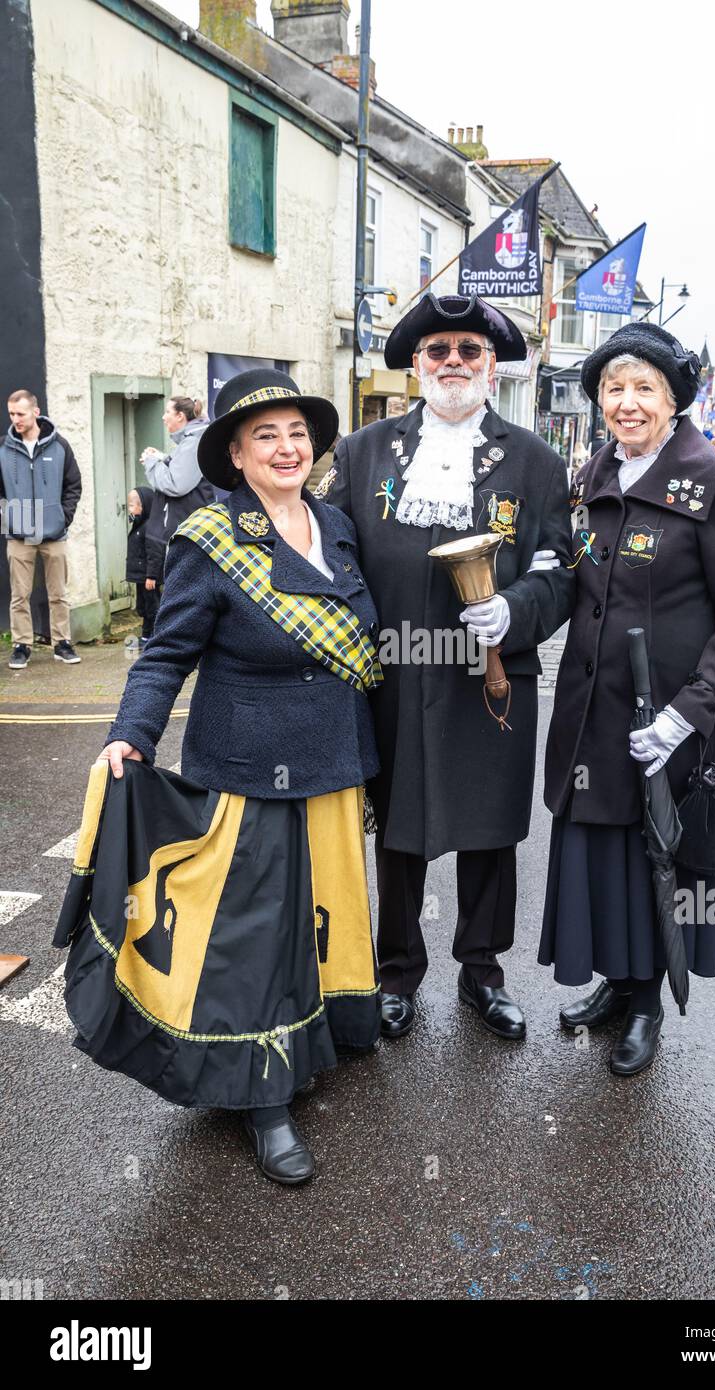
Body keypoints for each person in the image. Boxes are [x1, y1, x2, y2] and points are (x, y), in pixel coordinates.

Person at [59, 369, 382, 1185]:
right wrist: (128, 735)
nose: (286, 448)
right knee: (255, 940)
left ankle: (318, 1041)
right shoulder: (208, 540)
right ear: (236, 455)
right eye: (265, 436)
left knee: (323, 916)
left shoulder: (336, 526)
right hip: (249, 767)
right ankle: (261, 1099)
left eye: (298, 434)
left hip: (333, 763)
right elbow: (166, 653)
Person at [325, 292, 575, 1042]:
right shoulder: (362, 452)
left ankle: (482, 972)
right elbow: (333, 552)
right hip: (394, 671)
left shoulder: (535, 461)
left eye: (470, 351)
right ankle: (396, 973)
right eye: (439, 352)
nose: (454, 364)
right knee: (397, 826)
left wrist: (518, 610)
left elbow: (559, 566)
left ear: (491, 366)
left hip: (492, 678)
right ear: (418, 366)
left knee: (491, 828)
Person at [541, 323, 715, 1076]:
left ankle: (646, 1008)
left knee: (657, 860)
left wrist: (687, 711)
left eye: (644, 389)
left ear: (673, 401)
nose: (627, 403)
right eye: (614, 388)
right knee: (607, 849)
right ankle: (617, 980)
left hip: (669, 717)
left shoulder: (711, 476)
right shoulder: (601, 465)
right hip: (594, 709)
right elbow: (587, 572)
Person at [1, 388, 82, 668]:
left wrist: (63, 517)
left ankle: (62, 643)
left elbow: (73, 485)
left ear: (35, 412)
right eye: (11, 414)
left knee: (58, 592)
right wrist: (8, 517)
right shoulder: (4, 448)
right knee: (19, 595)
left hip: (53, 533)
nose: (15, 419)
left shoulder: (59, 445)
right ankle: (22, 646)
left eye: (20, 413)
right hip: (19, 535)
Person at [141, 396, 213, 580]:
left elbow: (176, 485)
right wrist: (162, 458)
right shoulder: (191, 440)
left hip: (191, 532)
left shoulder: (192, 442)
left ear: (180, 416)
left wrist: (152, 463)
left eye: (167, 412)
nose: (163, 417)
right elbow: (184, 471)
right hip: (191, 530)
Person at [125, 486, 159, 647]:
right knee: (144, 607)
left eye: (132, 505)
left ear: (144, 506)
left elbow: (154, 553)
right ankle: (146, 636)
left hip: (148, 578)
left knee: (153, 607)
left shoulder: (149, 528)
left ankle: (155, 636)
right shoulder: (138, 525)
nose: (129, 508)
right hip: (140, 576)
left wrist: (151, 575)